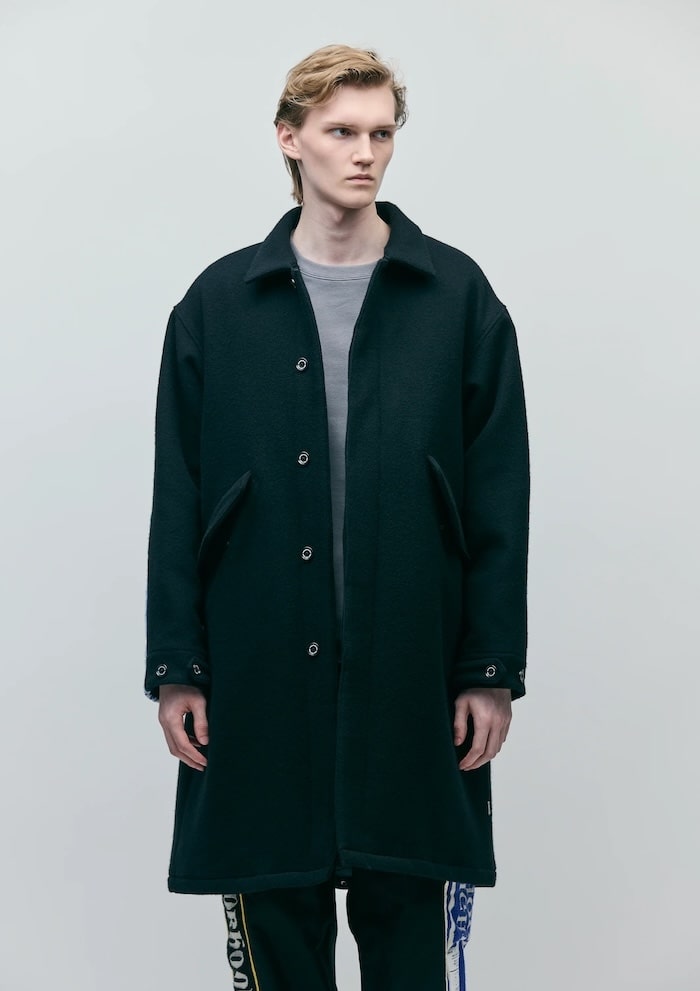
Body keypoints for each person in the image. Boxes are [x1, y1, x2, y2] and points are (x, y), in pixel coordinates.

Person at [145, 43, 530, 991]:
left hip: (413, 679)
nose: (365, 153)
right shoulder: (217, 306)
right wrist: (178, 664)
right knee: (278, 946)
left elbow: (498, 497)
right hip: (260, 677)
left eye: (382, 134)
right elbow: (180, 495)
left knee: (410, 953)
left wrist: (488, 670)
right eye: (342, 131)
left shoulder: (457, 298)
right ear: (290, 138)